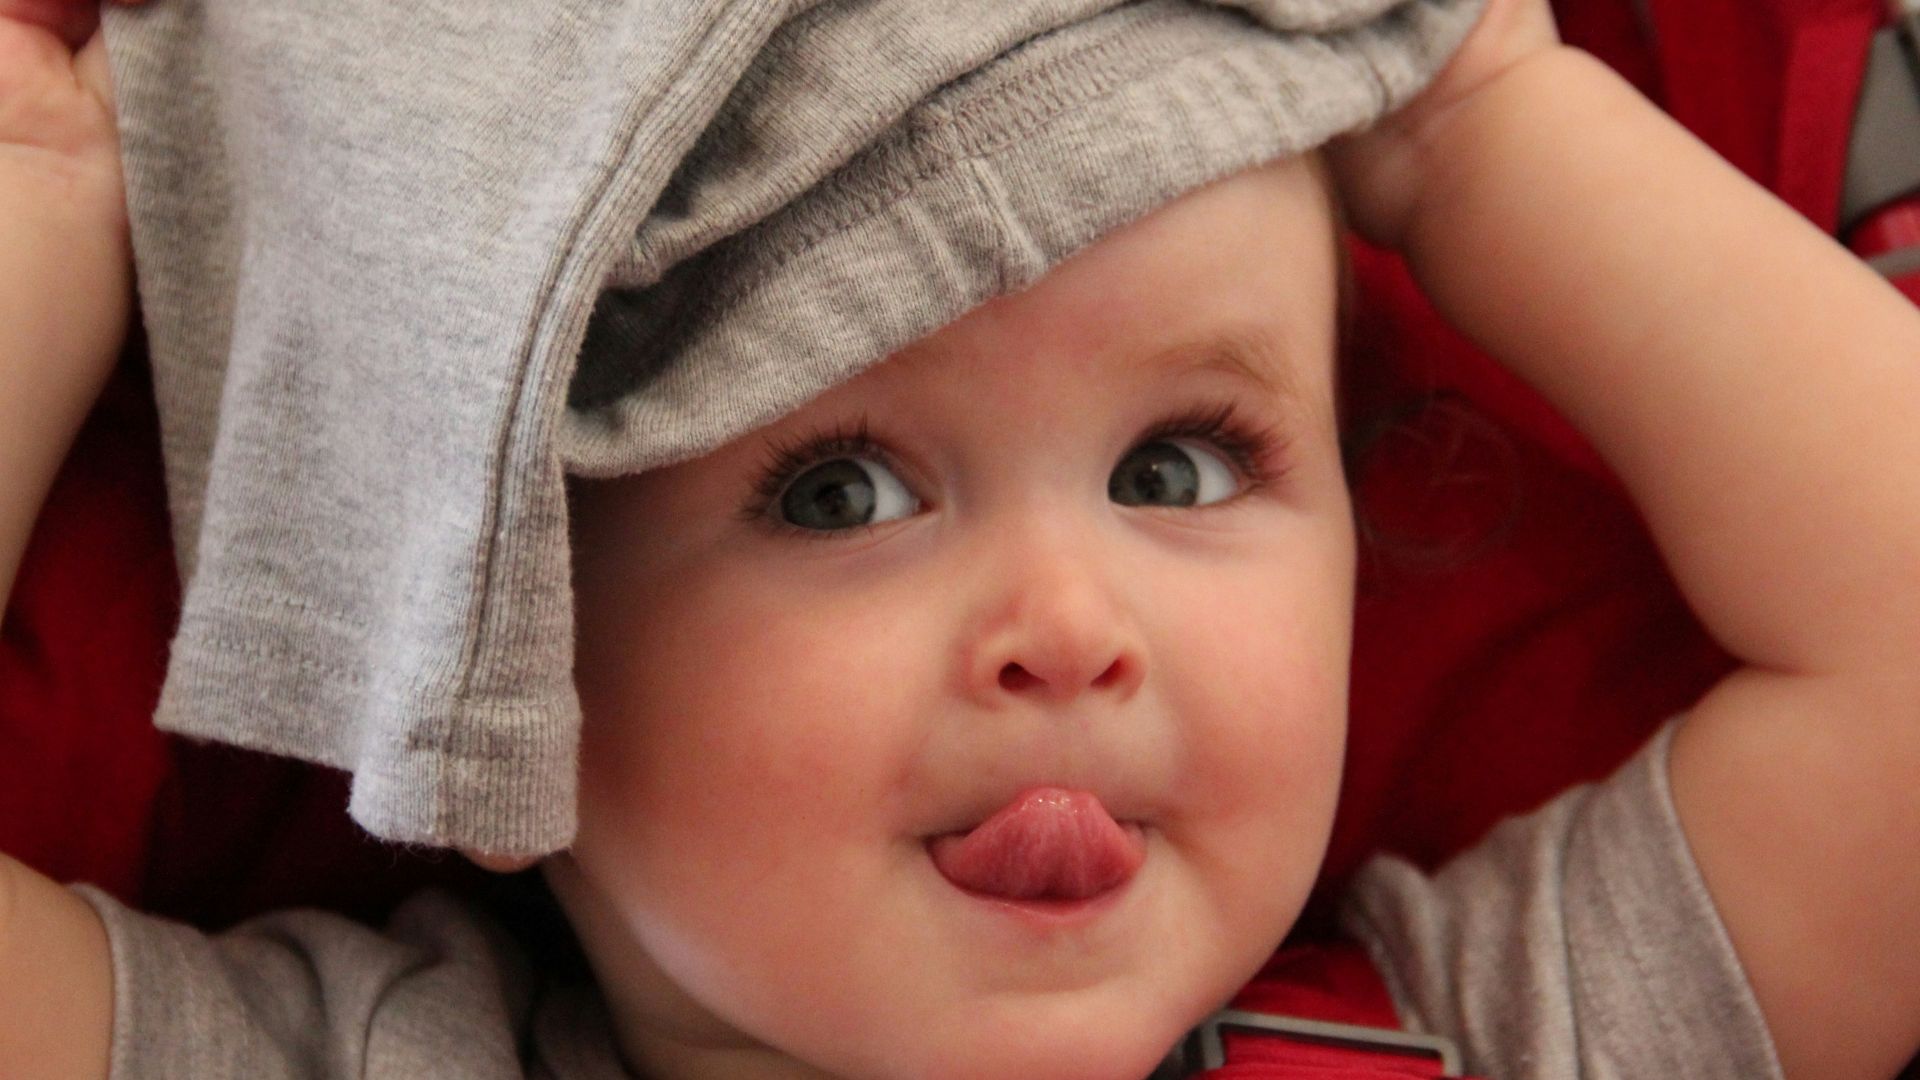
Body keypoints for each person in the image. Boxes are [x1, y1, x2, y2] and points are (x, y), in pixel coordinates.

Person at [2, 0, 1918, 1078]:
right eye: (840, 490)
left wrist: (1479, 113)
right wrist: (51, 219)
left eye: (1177, 466)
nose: (1066, 626)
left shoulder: (1482, 1040)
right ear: (506, 640)